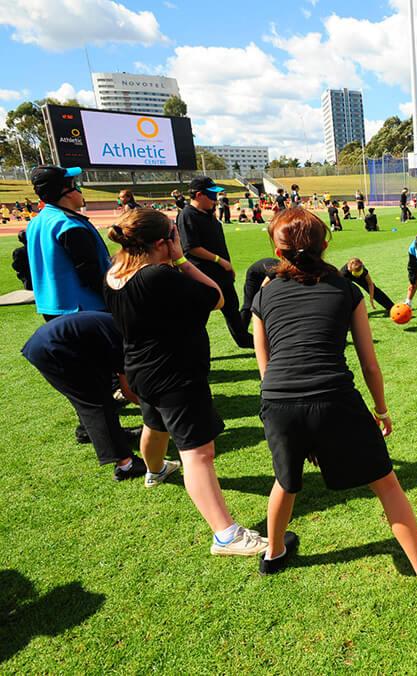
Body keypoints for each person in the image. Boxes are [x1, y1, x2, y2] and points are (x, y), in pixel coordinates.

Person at [249, 209, 417, 584]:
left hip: (277, 402)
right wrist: (381, 410)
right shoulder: (345, 290)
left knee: (285, 480)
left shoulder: (264, 294)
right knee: (386, 483)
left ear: (277, 251)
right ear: (326, 245)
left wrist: (288, 413)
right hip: (334, 399)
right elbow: (370, 365)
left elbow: (264, 365)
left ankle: (274, 552)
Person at [103, 208, 267, 556]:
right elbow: (217, 296)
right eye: (173, 235)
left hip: (142, 369)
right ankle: (226, 535)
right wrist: (180, 260)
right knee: (199, 454)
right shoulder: (158, 276)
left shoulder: (114, 272)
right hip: (175, 373)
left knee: (155, 424)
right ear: (163, 242)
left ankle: (156, 470)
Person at [22, 311, 145, 481]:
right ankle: (126, 465)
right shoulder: (129, 342)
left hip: (45, 343)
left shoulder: (123, 327)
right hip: (56, 348)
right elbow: (127, 391)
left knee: (94, 391)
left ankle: (86, 431)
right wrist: (154, 413)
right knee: (95, 402)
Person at [177, 176, 253, 349]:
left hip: (222, 274)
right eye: (211, 195)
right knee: (199, 316)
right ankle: (189, 350)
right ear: (198, 195)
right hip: (203, 275)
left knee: (232, 309)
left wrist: (227, 266)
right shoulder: (187, 215)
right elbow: (191, 247)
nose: (215, 199)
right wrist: (219, 261)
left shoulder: (209, 215)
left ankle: (244, 341)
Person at [25, 166, 109, 320]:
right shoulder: (69, 225)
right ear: (66, 192)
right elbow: (89, 272)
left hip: (50, 307)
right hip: (84, 308)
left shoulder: (36, 222)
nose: (79, 190)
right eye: (75, 185)